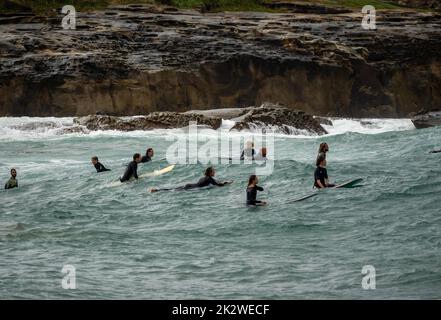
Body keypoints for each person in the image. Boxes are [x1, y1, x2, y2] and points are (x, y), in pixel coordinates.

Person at [150, 167, 233, 192]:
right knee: (173, 191)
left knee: (173, 189)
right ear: (210, 173)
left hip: (190, 185)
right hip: (191, 187)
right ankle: (157, 190)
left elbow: (216, 182)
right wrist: (227, 183)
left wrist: (223, 181)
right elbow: (218, 185)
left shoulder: (205, 177)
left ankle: (157, 189)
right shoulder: (210, 179)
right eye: (213, 171)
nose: (215, 172)